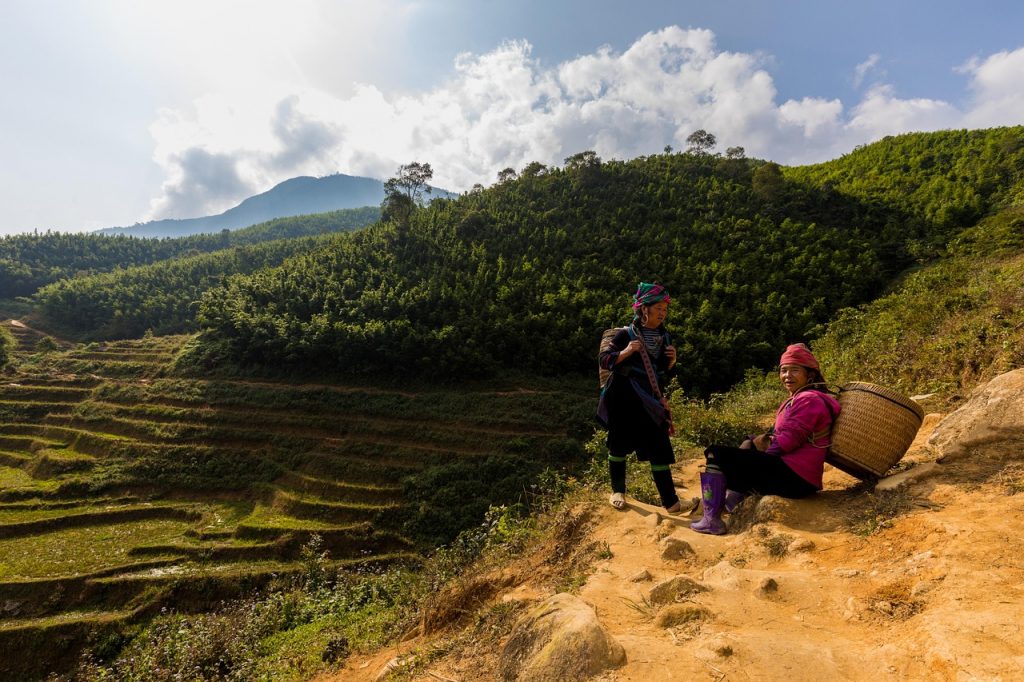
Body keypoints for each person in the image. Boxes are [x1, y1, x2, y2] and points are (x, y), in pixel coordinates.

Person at [690, 343, 841, 535]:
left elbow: (788, 440)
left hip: (795, 478)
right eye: (784, 370)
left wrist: (762, 459)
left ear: (810, 374)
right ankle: (734, 499)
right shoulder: (802, 397)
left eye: (795, 370)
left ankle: (711, 520)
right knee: (749, 442)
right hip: (797, 476)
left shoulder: (808, 400)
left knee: (715, 453)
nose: (787, 376)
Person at [597, 282, 681, 513]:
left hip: (649, 398)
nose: (663, 313)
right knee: (618, 444)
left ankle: (671, 502)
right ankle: (618, 491)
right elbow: (604, 360)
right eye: (658, 308)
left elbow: (661, 371)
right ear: (644, 309)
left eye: (665, 309)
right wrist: (625, 352)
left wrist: (671, 361)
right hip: (622, 396)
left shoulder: (664, 337)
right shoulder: (625, 335)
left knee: (659, 444)